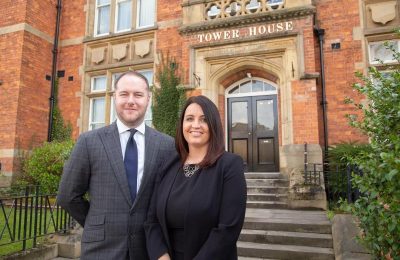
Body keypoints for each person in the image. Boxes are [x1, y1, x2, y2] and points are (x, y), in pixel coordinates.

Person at [57, 71, 175, 260]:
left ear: (148, 99)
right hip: (100, 249)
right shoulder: (89, 142)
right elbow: (67, 196)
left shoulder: (167, 145)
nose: (131, 101)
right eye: (124, 94)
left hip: (148, 250)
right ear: (114, 97)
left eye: (138, 95)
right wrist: (96, 222)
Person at [145, 95, 247, 260]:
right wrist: (161, 256)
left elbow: (228, 229)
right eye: (189, 119)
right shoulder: (168, 164)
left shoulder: (229, 165)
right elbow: (151, 220)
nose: (195, 125)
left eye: (204, 119)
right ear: (182, 125)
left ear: (213, 125)